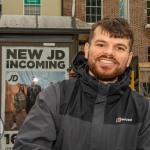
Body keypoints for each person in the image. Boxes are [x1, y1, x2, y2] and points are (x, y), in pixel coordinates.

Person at [13, 18, 150, 150]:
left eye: (119, 48)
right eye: (101, 44)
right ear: (86, 49)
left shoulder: (143, 110)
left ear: (129, 59)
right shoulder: (54, 97)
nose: (109, 52)